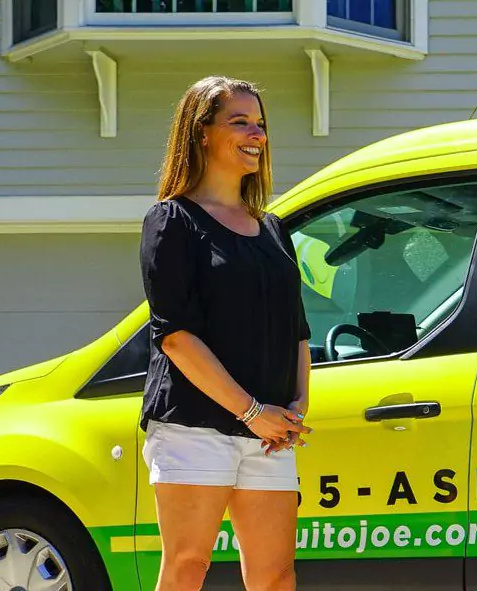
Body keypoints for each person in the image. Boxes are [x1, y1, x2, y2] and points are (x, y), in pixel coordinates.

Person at [139, 75, 314, 591]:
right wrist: (253, 411)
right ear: (201, 133)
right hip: (194, 430)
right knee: (188, 567)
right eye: (240, 122)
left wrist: (297, 404)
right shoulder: (172, 221)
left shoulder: (273, 227)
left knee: (276, 576)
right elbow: (175, 337)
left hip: (269, 436)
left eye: (259, 124)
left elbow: (296, 328)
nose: (256, 134)